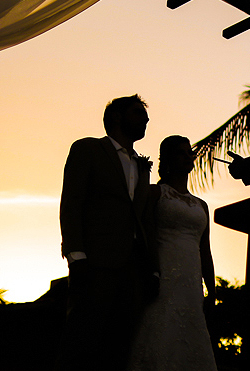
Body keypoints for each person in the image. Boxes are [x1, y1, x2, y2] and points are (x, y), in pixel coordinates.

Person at [57, 94, 157, 371]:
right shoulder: (88, 149)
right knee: (82, 340)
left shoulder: (141, 166)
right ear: (116, 117)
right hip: (96, 262)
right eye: (138, 113)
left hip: (133, 268)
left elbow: (145, 220)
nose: (146, 119)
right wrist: (77, 256)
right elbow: (72, 202)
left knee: (120, 346)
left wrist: (153, 268)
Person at [128, 135, 218, 371]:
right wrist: (152, 271)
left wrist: (211, 289)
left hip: (192, 281)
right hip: (164, 274)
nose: (188, 157)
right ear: (167, 159)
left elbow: (205, 250)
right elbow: (145, 235)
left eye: (190, 153)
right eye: (181, 152)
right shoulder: (155, 193)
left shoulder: (201, 205)